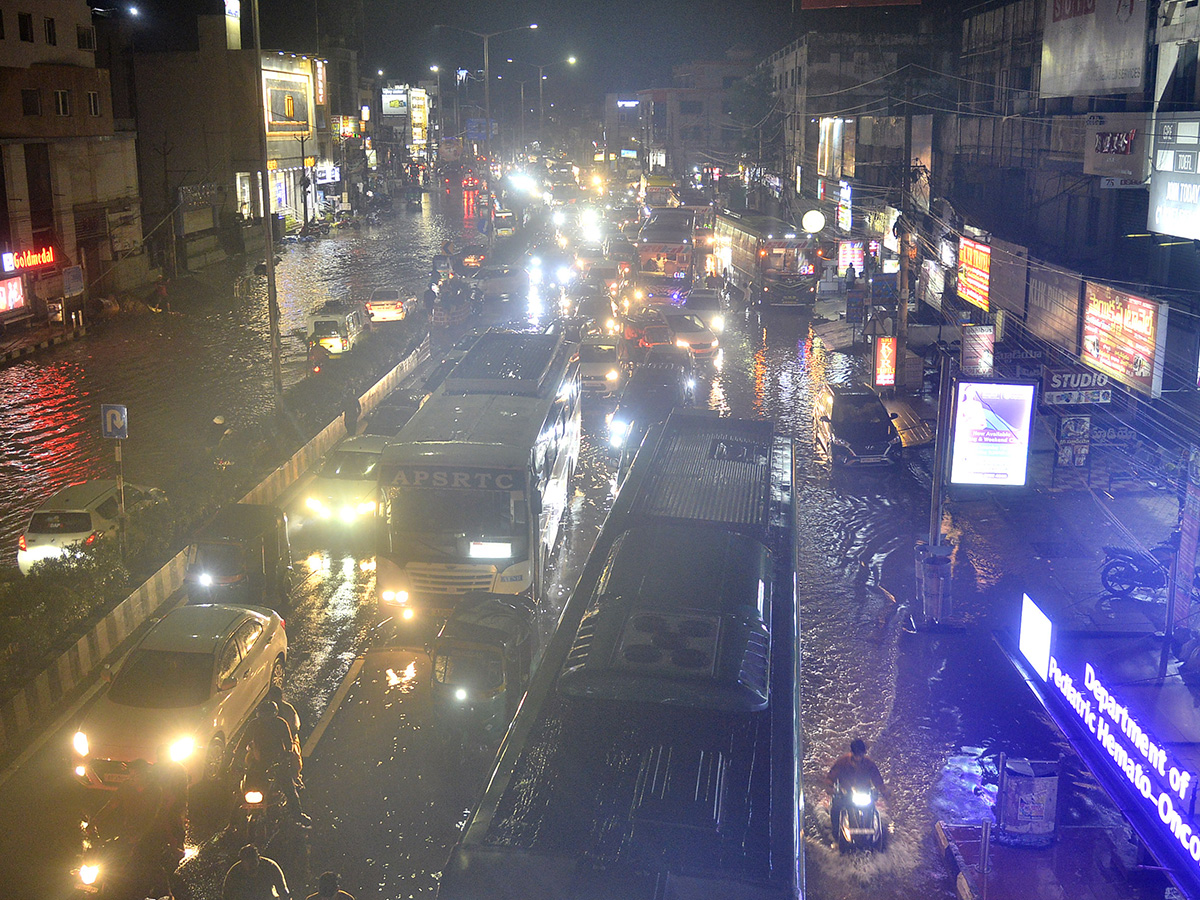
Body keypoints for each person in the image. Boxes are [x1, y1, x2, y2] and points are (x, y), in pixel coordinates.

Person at [243, 700, 306, 822]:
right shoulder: (254, 724)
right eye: (263, 715)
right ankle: (232, 822)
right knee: (244, 788)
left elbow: (288, 743)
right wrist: (234, 761)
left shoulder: (281, 724)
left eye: (268, 715)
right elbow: (243, 741)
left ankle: (298, 815)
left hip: (277, 762)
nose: (265, 719)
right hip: (259, 762)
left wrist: (287, 756)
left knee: (290, 789)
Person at [222, 843, 290, 900]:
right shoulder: (234, 873)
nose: (252, 867)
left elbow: (283, 892)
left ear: (258, 858)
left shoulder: (270, 867)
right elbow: (227, 896)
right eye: (248, 864)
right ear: (242, 863)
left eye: (253, 863)